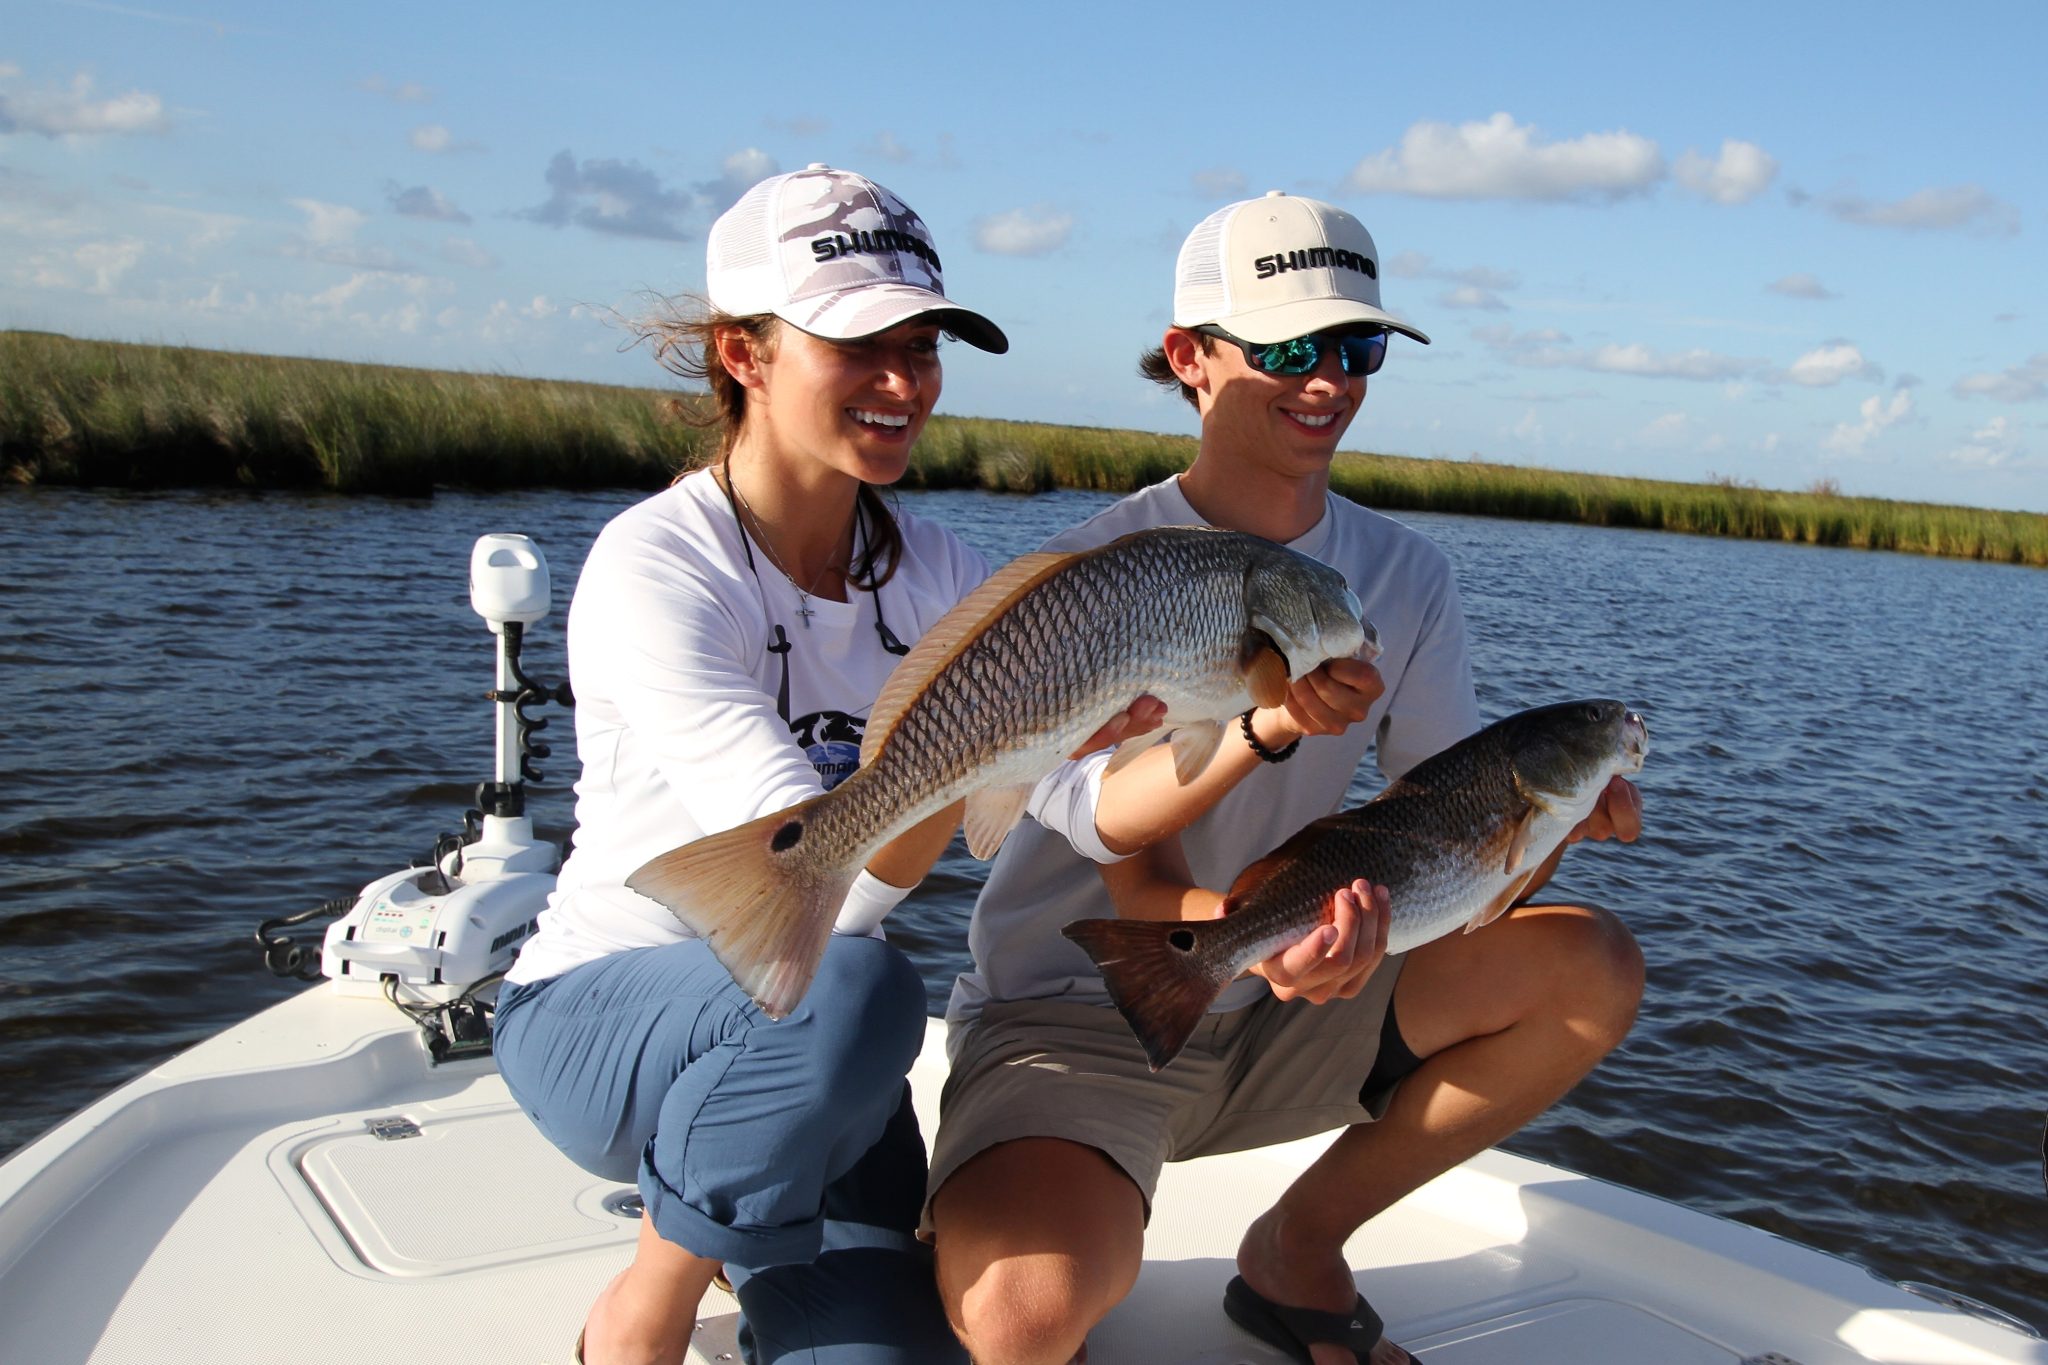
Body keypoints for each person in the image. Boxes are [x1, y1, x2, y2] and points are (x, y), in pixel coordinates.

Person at [926, 192, 1646, 1365]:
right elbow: (1127, 858)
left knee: (1589, 968)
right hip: (1081, 1009)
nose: (1328, 382)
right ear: (1188, 360)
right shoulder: (1087, 573)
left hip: (1279, 989)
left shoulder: (1404, 574)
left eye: (1356, 348)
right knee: (1027, 1320)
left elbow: (1445, 826)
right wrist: (1259, 890)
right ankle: (991, 1203)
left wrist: (1551, 822)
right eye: (1286, 351)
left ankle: (1295, 1250)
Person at [490, 165, 1154, 1365]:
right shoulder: (656, 565)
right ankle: (646, 1299)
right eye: (860, 343)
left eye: (924, 343)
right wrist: (980, 753)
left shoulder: (943, 568)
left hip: (814, 1071)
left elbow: (1096, 815)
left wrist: (1251, 726)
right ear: (743, 352)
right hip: (609, 1020)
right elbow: (816, 887)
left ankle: (749, 1211)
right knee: (862, 981)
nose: (905, 382)